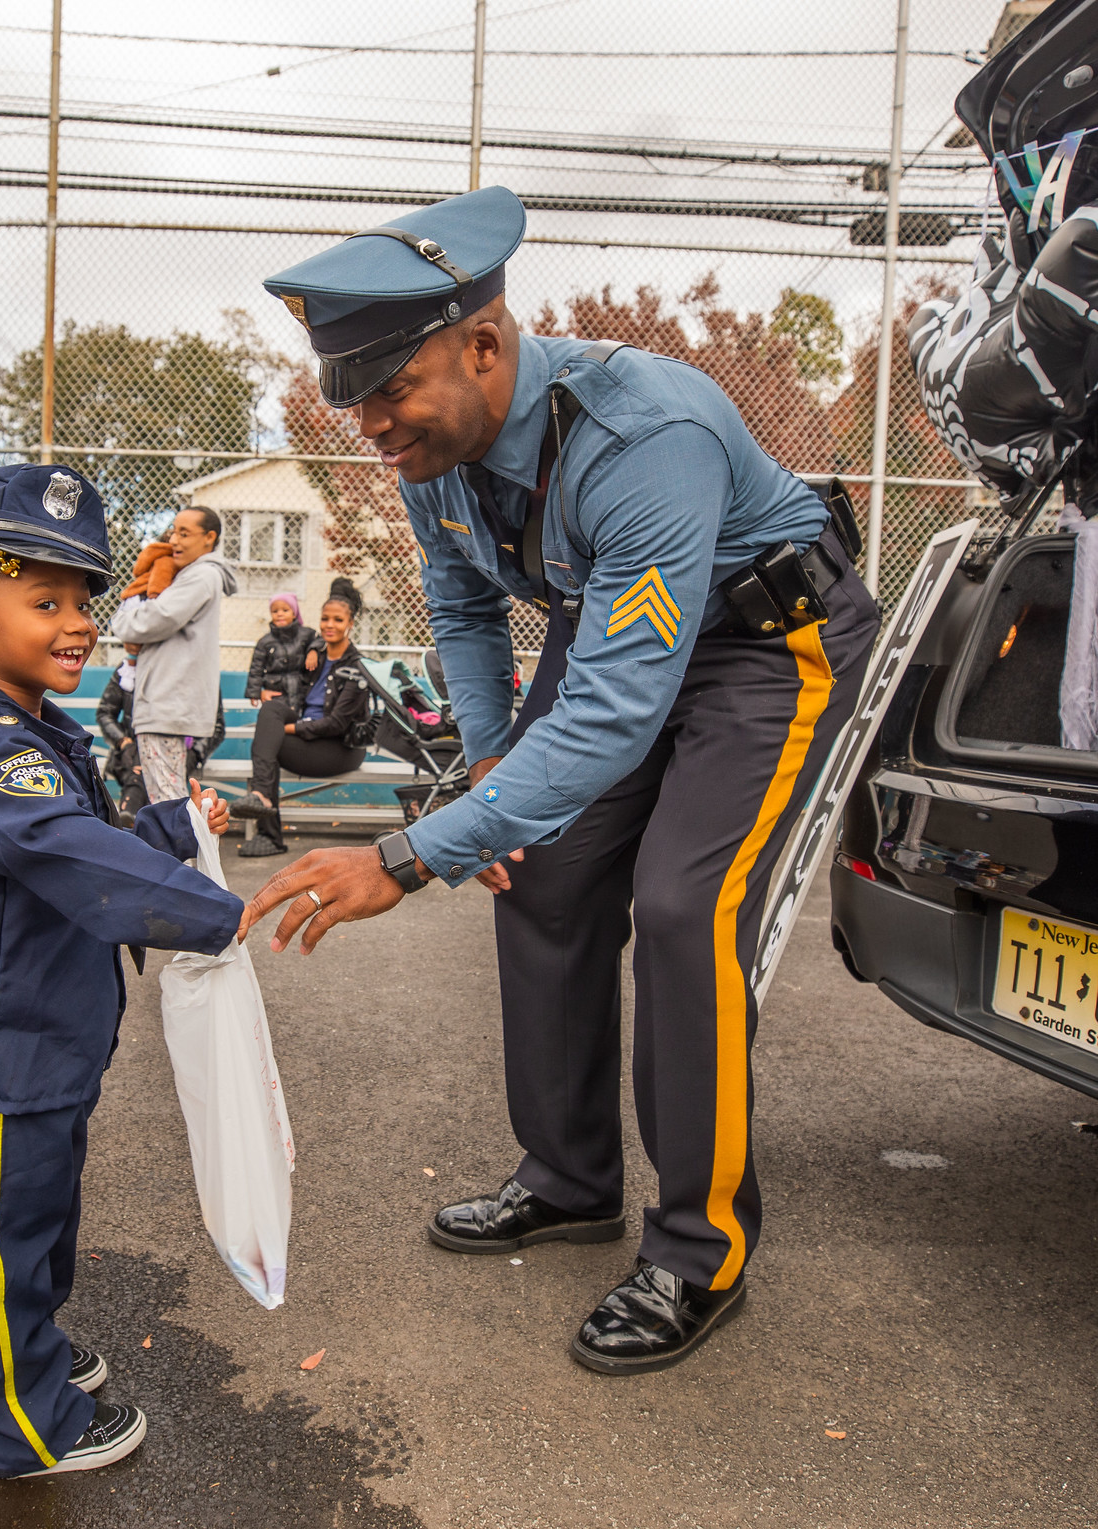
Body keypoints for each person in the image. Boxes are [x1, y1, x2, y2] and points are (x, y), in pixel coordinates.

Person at [245, 185, 880, 1374]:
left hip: (765, 643)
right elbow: (464, 606)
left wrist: (407, 853)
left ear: (484, 347)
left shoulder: (646, 437)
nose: (370, 424)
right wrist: (487, 767)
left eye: (389, 388)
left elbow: (609, 715)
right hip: (619, 639)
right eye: (353, 398)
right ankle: (569, 1174)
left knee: (686, 906)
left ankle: (699, 1247)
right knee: (537, 876)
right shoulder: (433, 449)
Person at [0, 461, 241, 1479]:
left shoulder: (42, 732)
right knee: (2, 1247)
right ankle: (25, 1424)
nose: (78, 620)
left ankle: (35, 1344)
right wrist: (212, 911)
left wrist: (176, 825)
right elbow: (62, 846)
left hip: (44, 1044)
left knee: (39, 1220)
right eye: (44, 601)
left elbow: (94, 827)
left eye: (81, 599)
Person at [234, 579, 374, 858]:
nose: (329, 625)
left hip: (340, 748)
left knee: (270, 742)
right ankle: (262, 798)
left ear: (351, 624)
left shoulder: (357, 668)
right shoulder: (314, 656)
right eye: (325, 619)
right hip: (305, 738)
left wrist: (290, 728)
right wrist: (263, 692)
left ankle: (270, 835)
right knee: (270, 709)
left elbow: (335, 724)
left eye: (338, 619)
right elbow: (284, 656)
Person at [108, 505, 237, 803]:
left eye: (184, 533)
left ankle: (183, 851)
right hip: (168, 706)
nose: (174, 540)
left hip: (169, 706)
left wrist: (121, 622)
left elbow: (155, 619)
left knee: (168, 801)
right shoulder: (192, 574)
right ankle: (185, 849)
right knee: (168, 799)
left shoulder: (202, 575)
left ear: (209, 538)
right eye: (173, 531)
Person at [95, 646, 226, 822]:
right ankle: (151, 825)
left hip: (183, 751)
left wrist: (194, 752)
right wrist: (123, 742)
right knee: (141, 757)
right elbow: (105, 713)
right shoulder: (130, 669)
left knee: (146, 763)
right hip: (131, 749)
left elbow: (216, 727)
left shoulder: (199, 672)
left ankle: (129, 812)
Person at [245, 591, 322, 712]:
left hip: (301, 689)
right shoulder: (265, 642)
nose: (280, 614)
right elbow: (256, 669)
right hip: (277, 691)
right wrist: (255, 693)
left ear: (294, 613)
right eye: (275, 611)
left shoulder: (306, 634)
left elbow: (320, 640)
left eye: (285, 610)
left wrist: (313, 650)